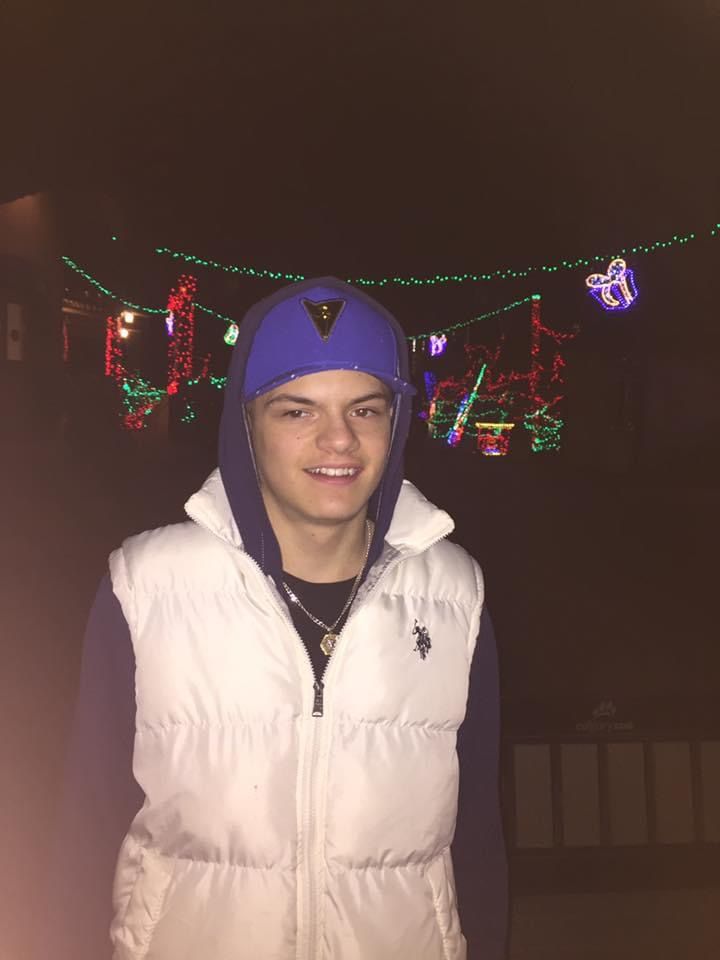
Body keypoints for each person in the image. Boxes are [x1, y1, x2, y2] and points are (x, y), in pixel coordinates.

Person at [42, 278, 507, 960]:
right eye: (296, 411)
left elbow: (478, 838)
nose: (339, 439)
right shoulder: (145, 587)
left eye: (365, 409)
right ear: (247, 423)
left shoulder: (456, 595)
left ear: (397, 422)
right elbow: (87, 823)